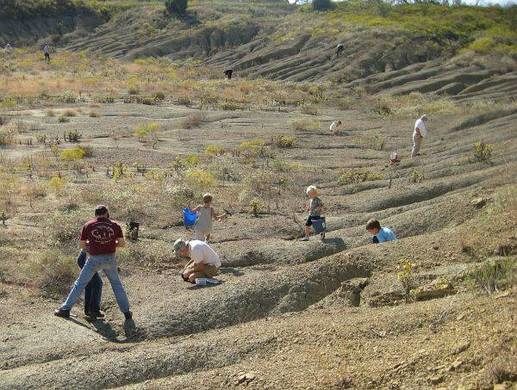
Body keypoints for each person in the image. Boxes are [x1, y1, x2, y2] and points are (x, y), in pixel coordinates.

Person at [54, 205, 132, 321]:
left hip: (94, 259)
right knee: (117, 285)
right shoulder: (115, 225)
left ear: (95, 214)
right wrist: (110, 244)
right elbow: (122, 244)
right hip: (110, 258)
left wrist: (93, 246)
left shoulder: (88, 225)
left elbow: (82, 245)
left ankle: (65, 310)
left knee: (80, 284)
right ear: (106, 213)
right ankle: (126, 313)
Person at [76, 249, 104, 318]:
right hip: (86, 258)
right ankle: (93, 310)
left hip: (86, 258)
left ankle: (88, 310)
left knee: (90, 284)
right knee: (98, 283)